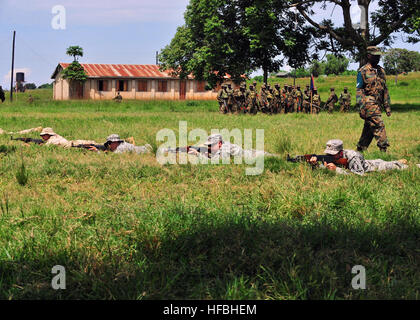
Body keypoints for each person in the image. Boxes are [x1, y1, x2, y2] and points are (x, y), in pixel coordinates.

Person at [356, 46, 391, 153]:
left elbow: (384, 89)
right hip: (369, 103)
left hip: (378, 104)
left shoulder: (381, 71)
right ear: (369, 56)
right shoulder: (363, 71)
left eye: (379, 56)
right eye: (375, 56)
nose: (378, 58)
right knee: (378, 124)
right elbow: (359, 90)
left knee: (369, 129)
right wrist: (361, 107)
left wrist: (387, 106)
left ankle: (360, 148)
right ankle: (383, 149)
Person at [309, 139, 408, 176]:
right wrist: (315, 166)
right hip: (368, 162)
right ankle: (399, 161)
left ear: (340, 152)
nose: (330, 156)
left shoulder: (352, 156)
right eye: (329, 154)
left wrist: (336, 170)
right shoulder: (332, 157)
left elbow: (359, 175)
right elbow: (325, 169)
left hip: (376, 167)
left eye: (332, 154)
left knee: (400, 167)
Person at [188, 134, 274, 160]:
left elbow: (216, 162)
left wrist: (198, 155)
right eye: (208, 145)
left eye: (211, 145)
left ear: (219, 143)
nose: (209, 147)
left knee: (277, 159)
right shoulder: (220, 147)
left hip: (257, 157)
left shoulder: (226, 149)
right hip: (251, 153)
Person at [88, 134, 152, 154]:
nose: (109, 145)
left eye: (110, 143)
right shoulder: (119, 145)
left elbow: (112, 158)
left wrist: (97, 151)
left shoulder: (120, 148)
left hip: (146, 150)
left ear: (116, 142)